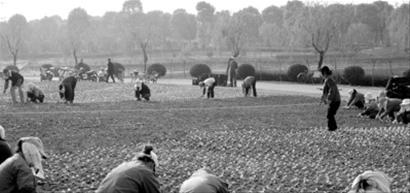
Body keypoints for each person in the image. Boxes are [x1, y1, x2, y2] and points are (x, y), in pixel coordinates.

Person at [96, 145, 160, 193]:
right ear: (150, 162)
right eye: (153, 167)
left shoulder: (125, 165)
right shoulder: (145, 171)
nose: (153, 171)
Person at [320, 66, 341, 131]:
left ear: (325, 73)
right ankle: (333, 127)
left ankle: (332, 128)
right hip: (334, 100)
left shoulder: (329, 80)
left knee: (330, 115)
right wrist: (323, 98)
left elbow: (332, 90)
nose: (322, 75)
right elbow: (325, 91)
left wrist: (329, 99)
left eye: (322, 74)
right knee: (330, 114)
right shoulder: (327, 80)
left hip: (335, 100)